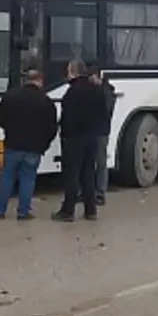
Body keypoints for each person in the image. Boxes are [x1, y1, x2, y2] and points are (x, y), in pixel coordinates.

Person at [0, 68, 58, 220]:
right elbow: (52, 128)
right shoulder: (46, 102)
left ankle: (0, 211)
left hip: (13, 144)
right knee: (28, 179)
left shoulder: (11, 96)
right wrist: (44, 145)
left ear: (25, 80)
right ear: (40, 81)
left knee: (7, 177)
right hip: (34, 148)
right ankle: (23, 212)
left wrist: (9, 129)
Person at [54, 59, 107, 222]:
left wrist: (63, 132)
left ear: (73, 72)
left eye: (68, 71)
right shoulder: (97, 90)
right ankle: (91, 210)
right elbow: (104, 114)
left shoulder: (72, 92)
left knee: (72, 174)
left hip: (74, 138)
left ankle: (68, 211)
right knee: (88, 173)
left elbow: (67, 117)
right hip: (92, 137)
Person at [87, 62, 117, 207]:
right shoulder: (98, 90)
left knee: (100, 161)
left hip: (100, 131)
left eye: (91, 77)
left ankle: (100, 193)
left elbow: (106, 111)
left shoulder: (106, 92)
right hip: (93, 130)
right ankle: (89, 191)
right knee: (90, 161)